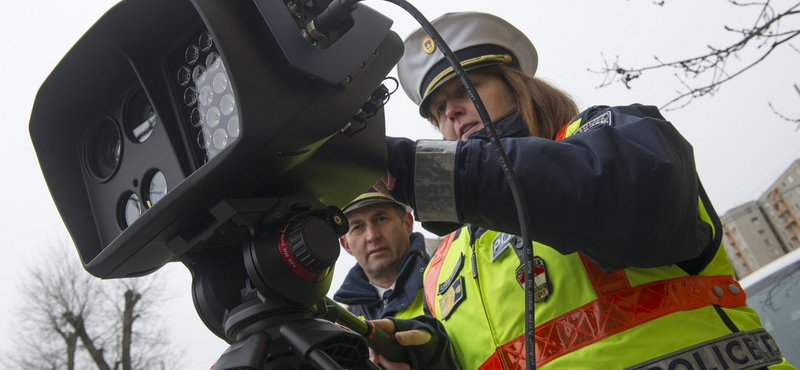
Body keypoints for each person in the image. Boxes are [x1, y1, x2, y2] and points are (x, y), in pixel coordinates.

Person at [370, 11, 796, 370]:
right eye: (438, 111)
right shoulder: (442, 264)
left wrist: (424, 171)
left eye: (465, 88)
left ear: (515, 85)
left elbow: (622, 199)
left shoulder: (609, 135)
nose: (452, 113)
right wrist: (425, 351)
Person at [334, 190, 430, 320]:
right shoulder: (345, 321)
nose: (372, 236)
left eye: (381, 219)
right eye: (357, 227)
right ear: (346, 245)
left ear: (408, 223)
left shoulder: (442, 281)